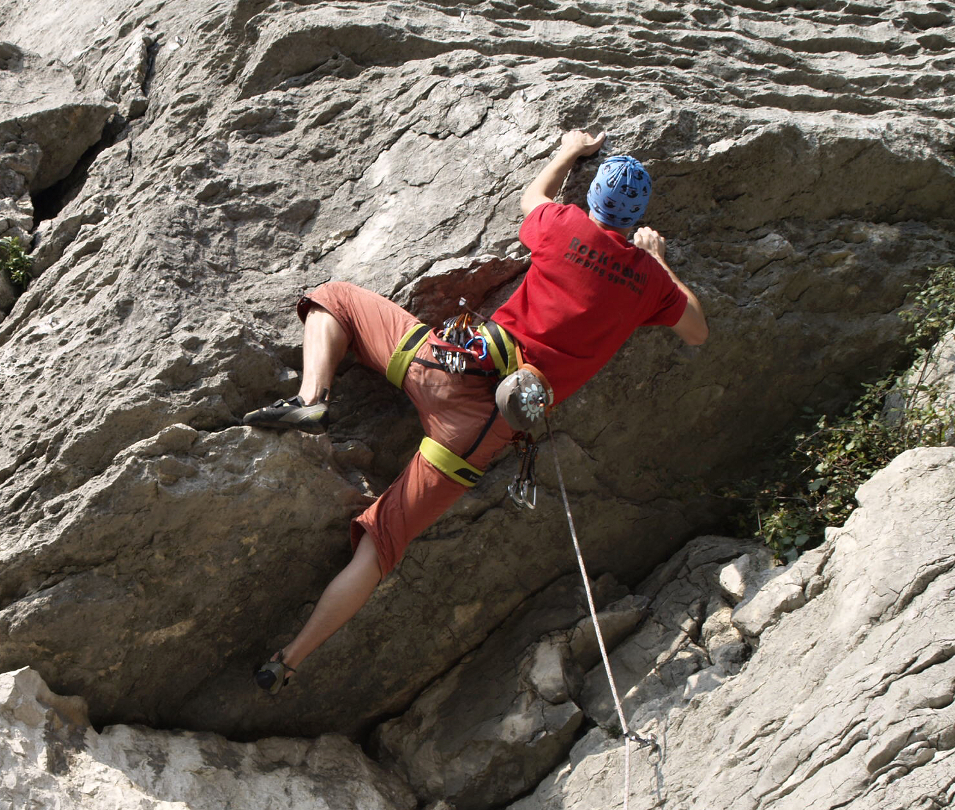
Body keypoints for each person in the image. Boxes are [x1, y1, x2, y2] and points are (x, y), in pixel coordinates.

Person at [245, 129, 708, 694]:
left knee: (336, 297)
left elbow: (530, 198)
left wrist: (569, 150)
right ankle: (289, 660)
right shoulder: (647, 281)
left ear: (594, 203)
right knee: (381, 542)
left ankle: (311, 399)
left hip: (451, 364)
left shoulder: (563, 226)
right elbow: (697, 331)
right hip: (483, 427)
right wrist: (660, 261)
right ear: (635, 219)